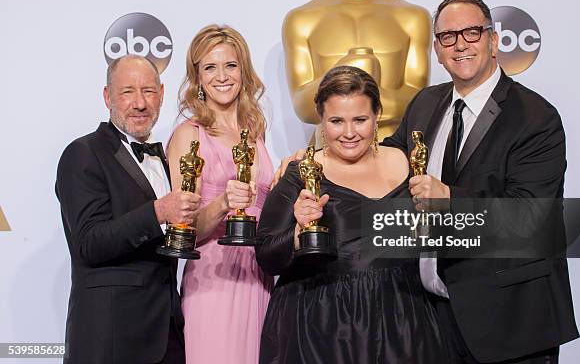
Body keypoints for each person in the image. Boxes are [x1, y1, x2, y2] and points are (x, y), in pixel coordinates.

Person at [383, 0, 579, 363]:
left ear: (494, 40)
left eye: (471, 32)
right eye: (447, 37)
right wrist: (317, 159)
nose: (460, 45)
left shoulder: (536, 118)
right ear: (437, 50)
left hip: (512, 327)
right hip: (433, 320)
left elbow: (530, 217)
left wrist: (450, 199)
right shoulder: (425, 103)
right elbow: (386, 160)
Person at [256, 65, 446, 363]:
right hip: (321, 325)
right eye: (336, 121)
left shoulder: (409, 164)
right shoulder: (299, 174)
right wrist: (297, 232)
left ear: (377, 114)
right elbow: (266, 257)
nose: (348, 133)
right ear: (321, 118)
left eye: (360, 120)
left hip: (403, 320)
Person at [56, 54, 201, 364]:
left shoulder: (164, 159)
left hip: (166, 336)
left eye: (148, 91)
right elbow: (90, 243)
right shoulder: (82, 154)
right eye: (127, 92)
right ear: (108, 96)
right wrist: (159, 211)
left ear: (161, 94)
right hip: (110, 340)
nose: (140, 103)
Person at [166, 24, 273, 364]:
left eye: (231, 65)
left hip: (260, 275)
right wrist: (224, 203)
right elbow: (185, 230)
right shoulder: (189, 135)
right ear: (197, 78)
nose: (222, 76)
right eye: (210, 67)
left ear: (244, 70)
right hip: (215, 279)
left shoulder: (255, 132)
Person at [282, 0, 431, 140]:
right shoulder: (301, 21)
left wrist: (357, 97)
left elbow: (419, 103)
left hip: (394, 153)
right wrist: (341, 73)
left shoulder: (413, 19)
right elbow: (303, 108)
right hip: (327, 158)